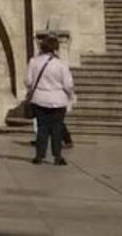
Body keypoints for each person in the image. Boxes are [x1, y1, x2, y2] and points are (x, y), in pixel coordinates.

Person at [25, 34, 74, 165]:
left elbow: (28, 81)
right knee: (56, 128)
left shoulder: (33, 62)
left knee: (42, 128)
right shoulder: (61, 64)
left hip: (39, 99)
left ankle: (39, 156)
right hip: (58, 100)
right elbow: (68, 84)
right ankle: (57, 156)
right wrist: (70, 95)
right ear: (55, 48)